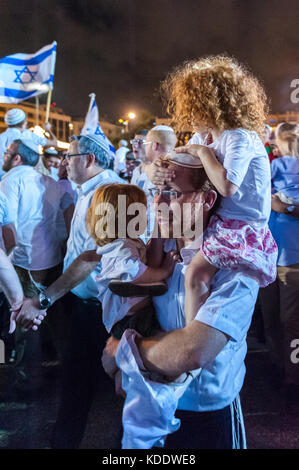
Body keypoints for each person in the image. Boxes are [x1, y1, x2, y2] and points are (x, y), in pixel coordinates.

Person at [102, 154, 259, 449]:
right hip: (148, 397)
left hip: (204, 413)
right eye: (155, 191)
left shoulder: (236, 263)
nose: (158, 203)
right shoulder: (164, 246)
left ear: (207, 198)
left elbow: (194, 350)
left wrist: (122, 353)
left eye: (173, 193)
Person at [14, 133, 126, 449]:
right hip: (87, 305)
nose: (64, 162)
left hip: (108, 310)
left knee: (118, 388)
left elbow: (91, 257)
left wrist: (43, 299)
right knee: (77, 384)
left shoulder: (110, 193)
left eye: (70, 156)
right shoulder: (87, 190)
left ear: (89, 160)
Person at [159, 55, 277, 324]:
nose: (188, 115)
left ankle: (191, 338)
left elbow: (226, 186)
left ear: (211, 104)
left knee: (195, 276)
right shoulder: (206, 136)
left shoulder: (240, 136)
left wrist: (201, 152)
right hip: (217, 222)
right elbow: (181, 164)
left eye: (192, 106)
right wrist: (159, 168)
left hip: (243, 226)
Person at [1, 137, 74, 383]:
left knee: (24, 319)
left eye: (8, 152)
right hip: (52, 259)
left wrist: (7, 264)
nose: (4, 155)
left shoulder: (9, 182)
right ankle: (70, 372)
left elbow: (8, 230)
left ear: (17, 158)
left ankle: (28, 379)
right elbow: (63, 223)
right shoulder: (50, 182)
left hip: (23, 262)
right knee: (54, 317)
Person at [87, 182, 174, 342]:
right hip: (130, 320)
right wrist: (165, 271)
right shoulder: (122, 246)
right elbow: (136, 272)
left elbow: (147, 259)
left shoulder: (127, 242)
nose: (147, 215)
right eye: (140, 211)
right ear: (123, 218)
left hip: (133, 315)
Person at [259, 122, 299, 411]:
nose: (273, 143)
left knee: (292, 323)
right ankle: (278, 366)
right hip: (267, 257)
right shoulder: (272, 166)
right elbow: (258, 198)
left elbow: (280, 205)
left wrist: (287, 208)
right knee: (270, 317)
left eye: (277, 139)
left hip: (292, 260)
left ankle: (293, 379)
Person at [0, 108, 57, 179]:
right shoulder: (29, 135)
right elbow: (54, 143)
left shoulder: (1, 137)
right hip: (24, 177)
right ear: (23, 124)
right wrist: (48, 129)